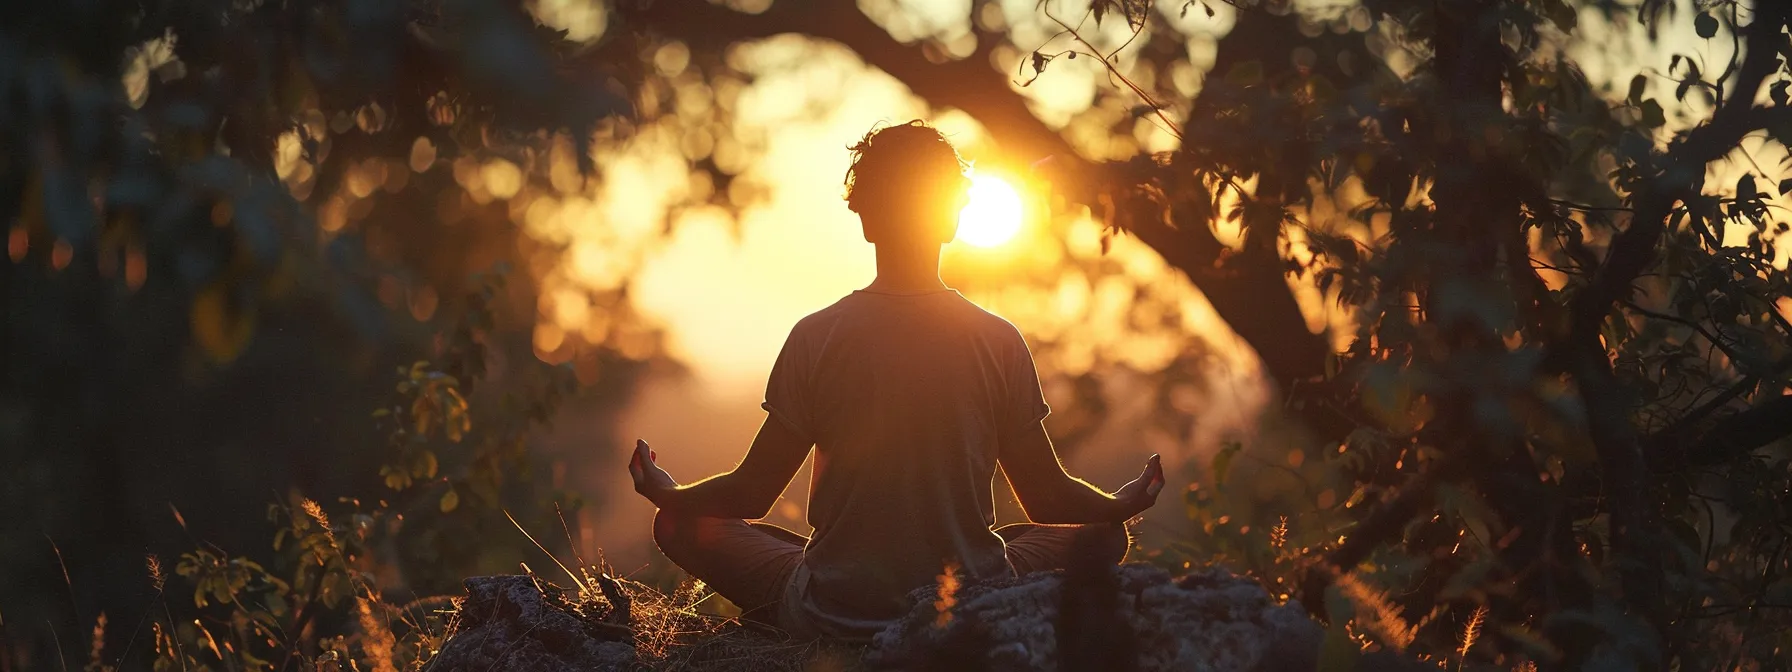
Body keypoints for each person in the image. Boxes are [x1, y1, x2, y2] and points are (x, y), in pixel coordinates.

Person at [627, 120, 1165, 641]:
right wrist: (1121, 505)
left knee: (676, 524)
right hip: (964, 608)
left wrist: (670, 493)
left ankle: (803, 611)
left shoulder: (818, 336)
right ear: (952, 219)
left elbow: (751, 493)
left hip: (831, 612)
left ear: (865, 217)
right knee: (1101, 535)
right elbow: (1049, 501)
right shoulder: (997, 341)